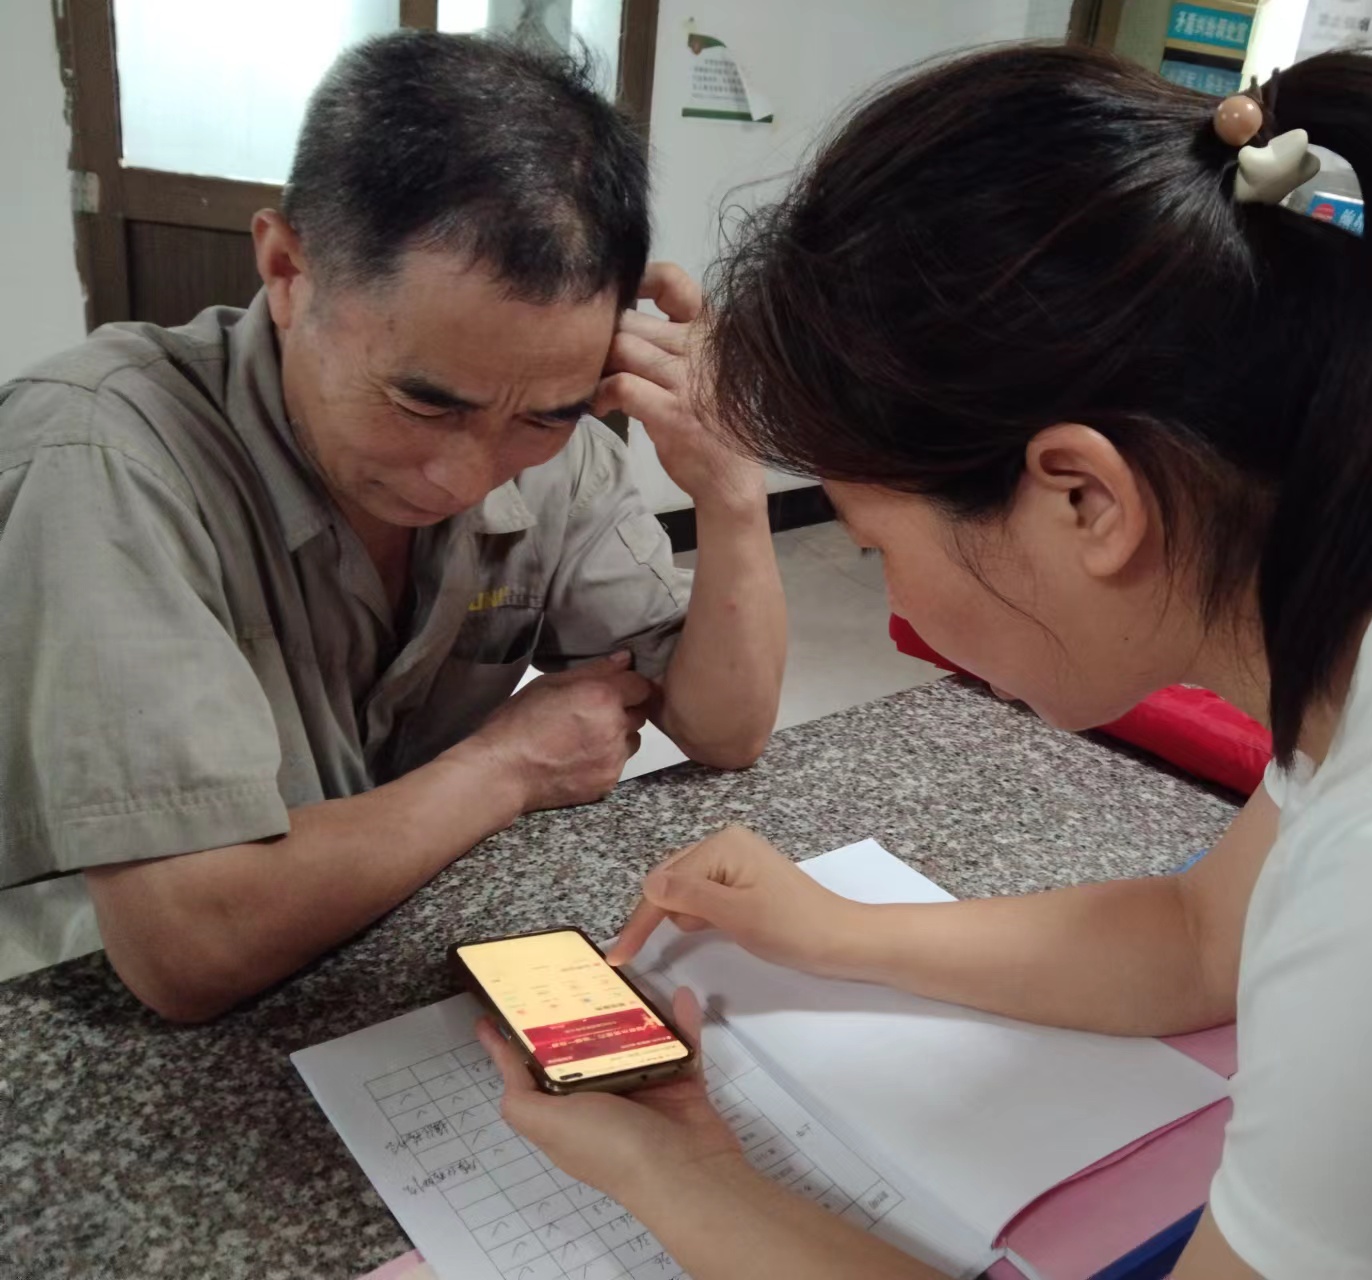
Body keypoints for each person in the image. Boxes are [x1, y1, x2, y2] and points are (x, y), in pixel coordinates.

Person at [475, 45, 1372, 1280]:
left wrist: (675, 1174)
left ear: (1084, 498)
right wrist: (835, 929)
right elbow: (1197, 938)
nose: (894, 605)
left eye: (875, 545)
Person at [0, 33, 786, 1018]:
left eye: (543, 414)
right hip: (79, 1009)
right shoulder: (99, 454)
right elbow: (190, 946)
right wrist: (508, 764)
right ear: (288, 270)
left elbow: (724, 729)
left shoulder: (557, 440)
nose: (465, 475)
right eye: (423, 403)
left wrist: (731, 488)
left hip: (382, 939)